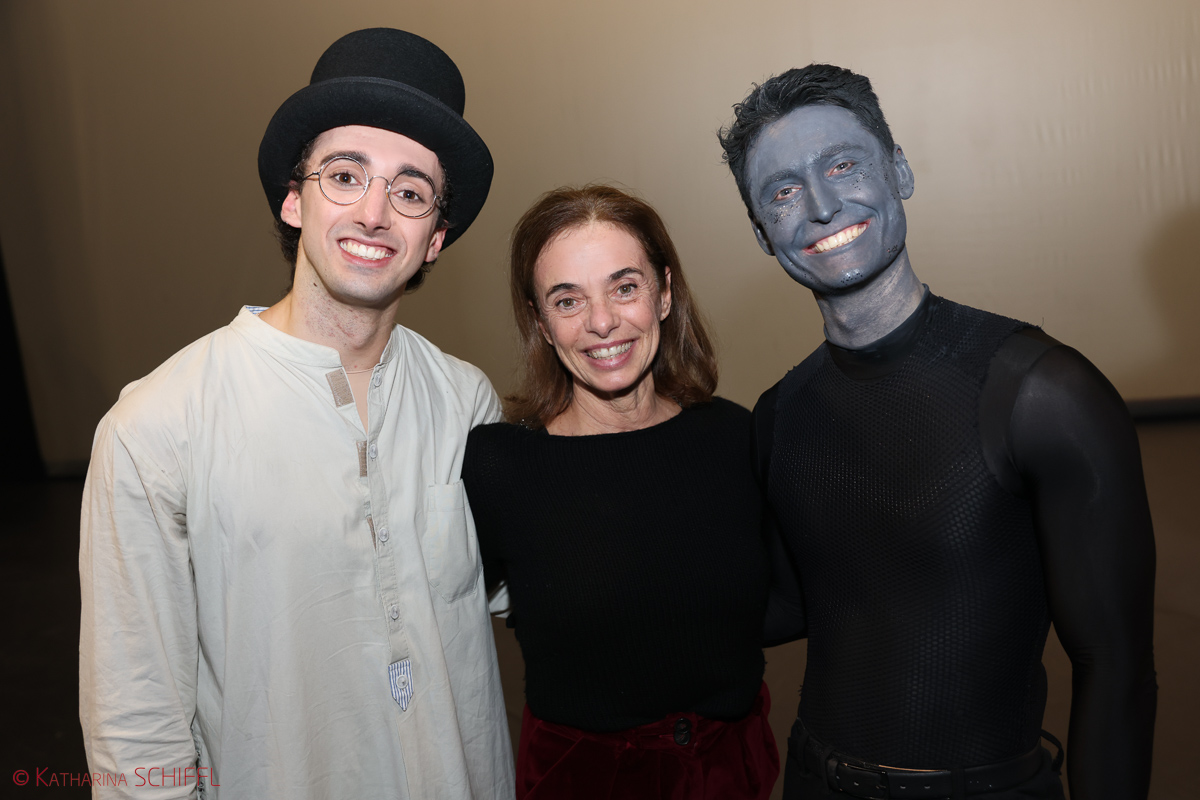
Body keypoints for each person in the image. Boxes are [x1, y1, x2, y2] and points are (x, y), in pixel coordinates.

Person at [79, 28, 513, 799]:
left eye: (411, 192)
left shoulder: (465, 401)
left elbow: (541, 590)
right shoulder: (156, 428)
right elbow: (134, 717)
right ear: (293, 200)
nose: (374, 212)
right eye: (345, 175)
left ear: (435, 237)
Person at [718, 65, 1157, 800]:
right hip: (811, 781)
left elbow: (1116, 667)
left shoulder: (1041, 392)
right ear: (765, 234)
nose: (821, 206)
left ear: (899, 171)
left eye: (843, 165)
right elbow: (789, 606)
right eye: (783, 192)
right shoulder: (780, 414)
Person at [461, 185, 780, 800]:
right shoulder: (500, 466)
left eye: (624, 287)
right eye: (568, 300)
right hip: (579, 780)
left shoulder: (737, 437)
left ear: (664, 293)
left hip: (733, 774)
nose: (602, 321)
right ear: (541, 322)